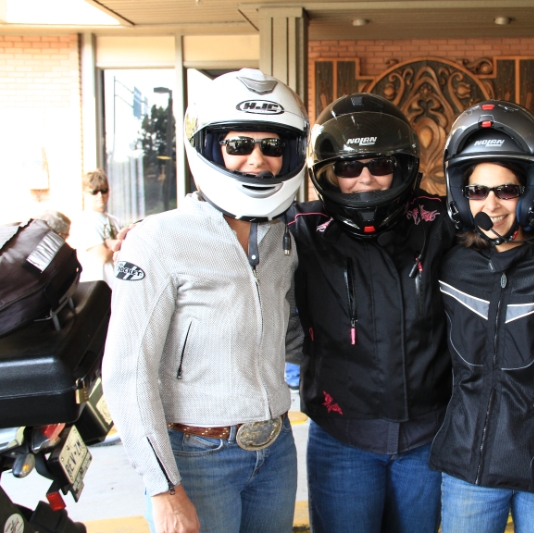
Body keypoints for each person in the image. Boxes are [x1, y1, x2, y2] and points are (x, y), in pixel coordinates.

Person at [103, 68, 307, 533]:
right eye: (240, 145)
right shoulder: (159, 238)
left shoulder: (282, 239)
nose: (259, 160)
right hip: (197, 458)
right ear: (212, 147)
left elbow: (291, 335)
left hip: (275, 450)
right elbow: (126, 372)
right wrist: (164, 490)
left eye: (272, 146)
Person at [429, 101, 534, 533]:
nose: (493, 204)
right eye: (477, 191)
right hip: (467, 469)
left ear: (531, 191)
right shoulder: (452, 267)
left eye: (507, 190)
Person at [286, 93, 456, 533]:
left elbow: (506, 232)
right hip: (343, 437)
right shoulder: (301, 229)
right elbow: (234, 230)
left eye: (379, 165)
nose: (365, 179)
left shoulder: (440, 223)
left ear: (401, 167)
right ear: (329, 173)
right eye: (348, 168)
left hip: (427, 437)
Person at [72, 169, 121, 287]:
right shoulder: (84, 220)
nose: (100, 196)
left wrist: (109, 243)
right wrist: (121, 244)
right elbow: (103, 256)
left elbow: (130, 250)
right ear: (85, 193)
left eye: (103, 190)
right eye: (94, 192)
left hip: (117, 288)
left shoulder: (115, 220)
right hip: (96, 289)